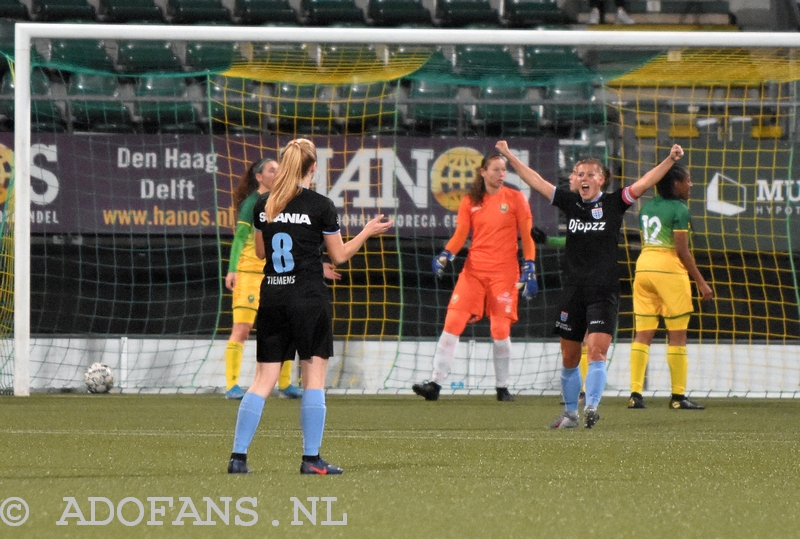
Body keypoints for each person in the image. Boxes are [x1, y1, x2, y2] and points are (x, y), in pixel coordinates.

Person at [227, 138, 393, 475]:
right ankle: (311, 459)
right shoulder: (321, 205)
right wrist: (367, 232)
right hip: (308, 299)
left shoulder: (263, 204)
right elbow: (340, 255)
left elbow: (261, 254)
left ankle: (238, 457)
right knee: (314, 377)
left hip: (272, 295)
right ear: (313, 167)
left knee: (263, 379)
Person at [496, 140, 684, 429]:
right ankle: (570, 414)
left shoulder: (615, 202)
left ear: (602, 179)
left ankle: (592, 407)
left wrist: (670, 160)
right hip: (572, 292)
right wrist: (509, 155)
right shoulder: (568, 202)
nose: (584, 178)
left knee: (597, 351)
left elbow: (645, 181)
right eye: (579, 173)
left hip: (603, 291)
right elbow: (535, 180)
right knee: (570, 358)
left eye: (590, 174)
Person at [411, 153, 537, 402]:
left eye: (504, 170)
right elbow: (461, 235)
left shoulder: (516, 198)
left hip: (504, 273)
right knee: (452, 323)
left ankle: (502, 388)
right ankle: (434, 384)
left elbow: (527, 235)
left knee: (500, 329)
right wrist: (446, 254)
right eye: (496, 170)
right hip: (473, 272)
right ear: (483, 172)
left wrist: (530, 266)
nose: (501, 174)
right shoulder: (470, 200)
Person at [223, 158, 340, 401]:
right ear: (259, 177)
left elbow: (296, 245)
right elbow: (240, 239)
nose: (276, 174)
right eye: (271, 170)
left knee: (287, 330)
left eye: (279, 169)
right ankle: (232, 384)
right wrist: (232, 269)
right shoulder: (254, 203)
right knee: (242, 329)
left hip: (275, 277)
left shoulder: (284, 202)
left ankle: (285, 383)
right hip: (250, 274)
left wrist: (317, 266)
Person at [628, 163, 713, 410]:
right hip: (668, 269)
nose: (691, 184)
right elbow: (682, 251)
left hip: (643, 266)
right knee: (677, 335)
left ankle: (635, 394)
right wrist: (701, 281)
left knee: (642, 333)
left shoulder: (648, 206)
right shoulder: (680, 208)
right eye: (688, 180)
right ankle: (678, 397)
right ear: (676, 184)